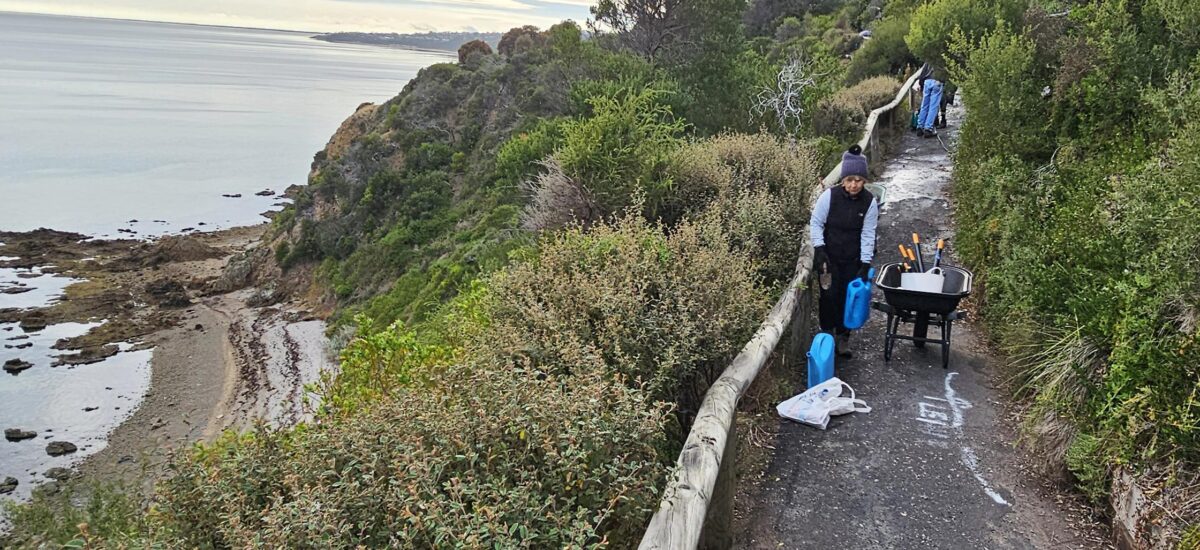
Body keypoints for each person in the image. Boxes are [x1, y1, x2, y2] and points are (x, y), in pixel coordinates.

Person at [810, 145, 879, 358]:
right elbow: (816, 223)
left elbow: (869, 233)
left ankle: (843, 337)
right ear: (843, 180)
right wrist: (819, 249)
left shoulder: (869, 203)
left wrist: (865, 262)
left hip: (852, 257)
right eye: (849, 180)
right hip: (828, 258)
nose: (854, 185)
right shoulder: (829, 197)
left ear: (864, 181)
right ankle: (827, 335)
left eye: (858, 180)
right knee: (828, 296)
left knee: (848, 297)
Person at [914, 63, 949, 138]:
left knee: (924, 105)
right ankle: (928, 129)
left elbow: (923, 71)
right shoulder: (942, 58)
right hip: (937, 82)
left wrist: (921, 83)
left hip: (927, 81)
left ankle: (920, 127)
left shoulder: (929, 58)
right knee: (933, 107)